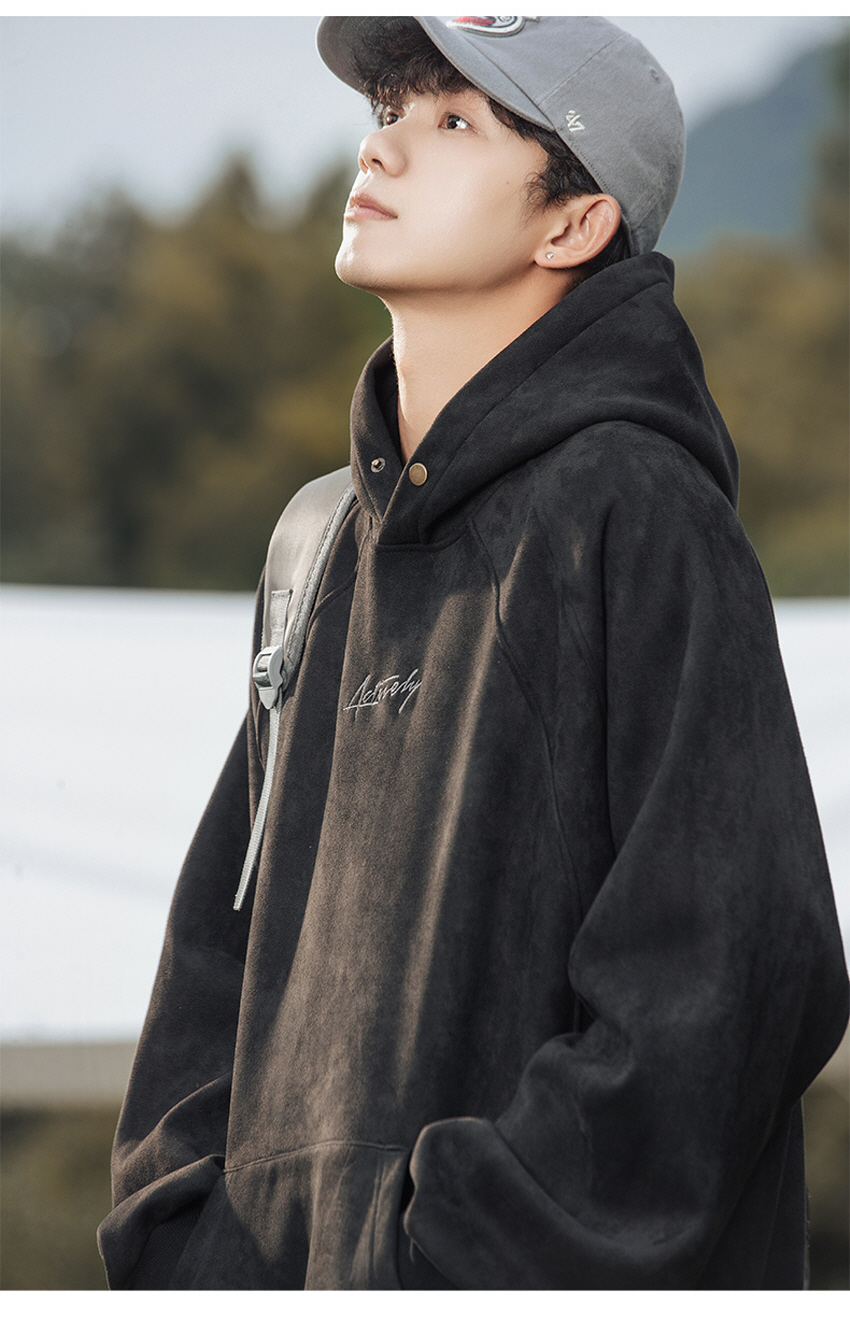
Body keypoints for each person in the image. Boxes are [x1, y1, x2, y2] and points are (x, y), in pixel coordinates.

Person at [98, 16, 848, 1290]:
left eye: (454, 122)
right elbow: (212, 966)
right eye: (389, 111)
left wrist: (439, 1251)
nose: (382, 148)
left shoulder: (637, 511)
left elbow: (729, 979)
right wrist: (192, 1245)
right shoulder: (315, 543)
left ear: (574, 223)